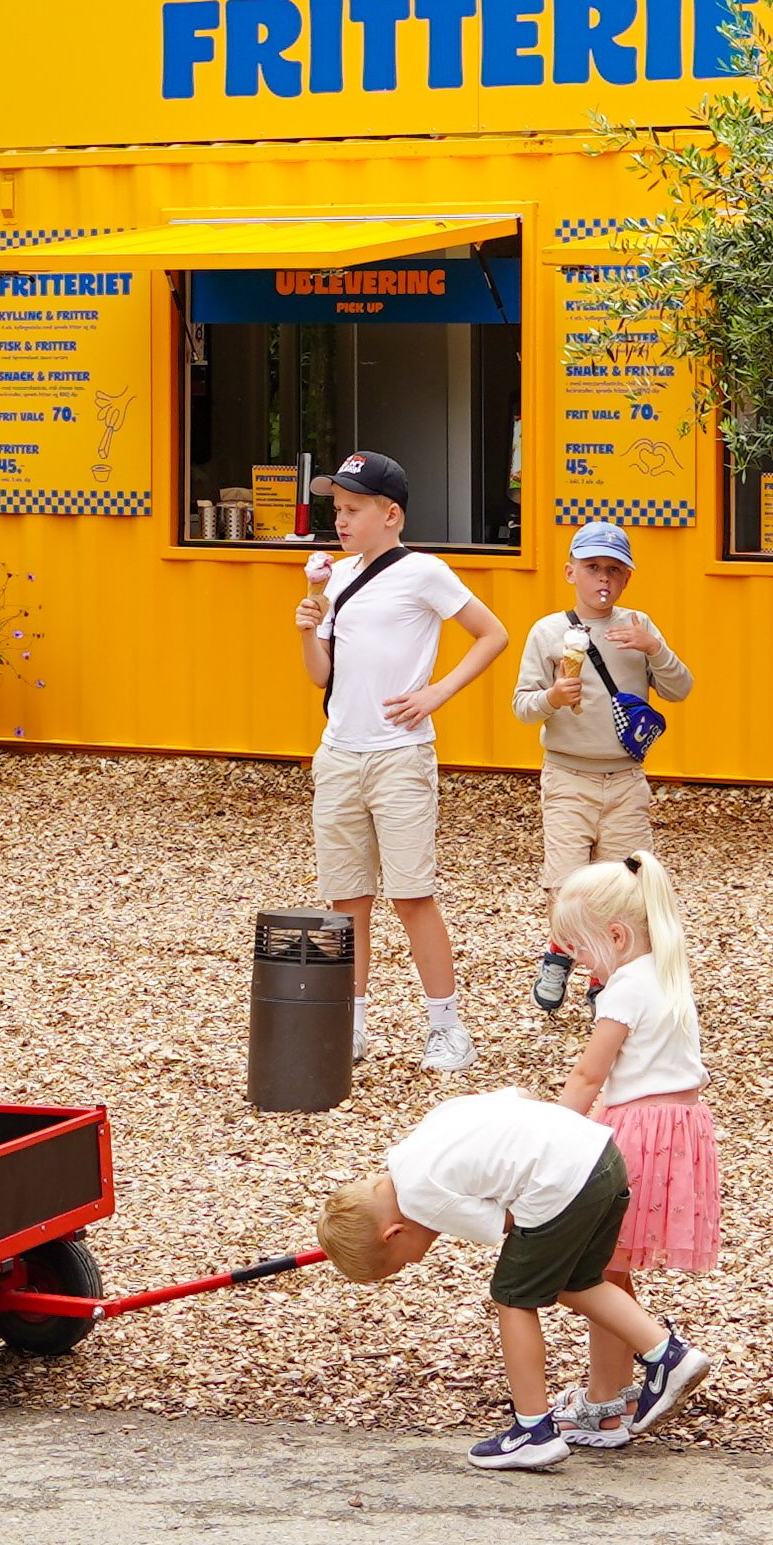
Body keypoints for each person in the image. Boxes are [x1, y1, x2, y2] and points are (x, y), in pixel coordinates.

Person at [318, 1087, 702, 1474]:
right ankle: (665, 1353)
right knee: (579, 1280)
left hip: (561, 1182)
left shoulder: (417, 1197)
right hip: (600, 1155)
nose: (417, 1259)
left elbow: (509, 1222)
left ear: (394, 1234)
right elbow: (520, 1094)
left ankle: (533, 1430)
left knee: (513, 1296)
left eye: (401, 1263)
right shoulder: (421, 1140)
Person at [295, 449, 504, 1076]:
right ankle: (349, 1024)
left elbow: (491, 632)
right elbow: (319, 676)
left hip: (400, 757)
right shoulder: (331, 579)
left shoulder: (425, 573)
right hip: (338, 753)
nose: (342, 520)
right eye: (337, 508)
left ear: (391, 514)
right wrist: (306, 628)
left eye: (354, 509)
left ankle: (447, 1026)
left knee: (412, 894)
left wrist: (438, 692)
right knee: (346, 898)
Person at [543, 851, 714, 1446]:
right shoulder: (669, 970)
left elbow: (590, 1075)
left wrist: (550, 1140)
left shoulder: (624, 989)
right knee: (611, 1268)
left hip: (637, 1132)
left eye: (581, 949)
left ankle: (615, 1398)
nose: (580, 963)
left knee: (596, 1266)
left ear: (616, 934)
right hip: (681, 1127)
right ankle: (605, 1397)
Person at [509, 525, 696, 914]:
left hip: (627, 780)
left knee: (625, 893)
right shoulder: (548, 632)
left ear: (627, 578)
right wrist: (553, 697)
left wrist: (655, 650)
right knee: (566, 892)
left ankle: (608, 976)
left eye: (614, 570)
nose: (604, 578)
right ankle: (559, 967)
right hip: (567, 778)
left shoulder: (638, 625)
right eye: (592, 567)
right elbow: (522, 706)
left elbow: (680, 689)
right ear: (570, 572)